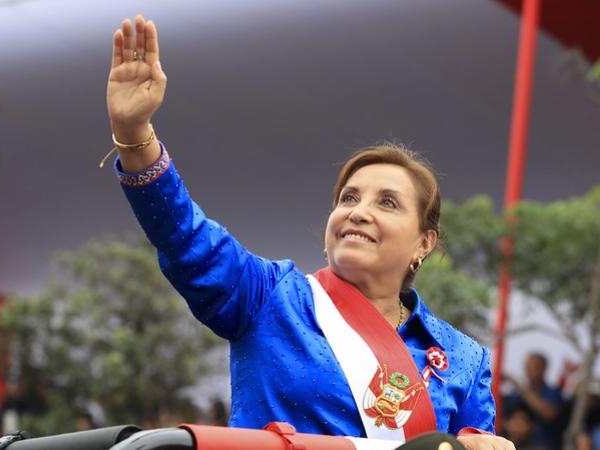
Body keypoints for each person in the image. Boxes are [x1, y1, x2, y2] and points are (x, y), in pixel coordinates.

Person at [105, 14, 512, 450]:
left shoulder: (464, 359)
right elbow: (183, 234)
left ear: (423, 243)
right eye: (349, 198)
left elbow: (477, 441)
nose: (359, 212)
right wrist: (134, 133)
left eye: (387, 202)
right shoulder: (268, 297)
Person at [504, 353, 563, 450]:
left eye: (534, 367)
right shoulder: (516, 396)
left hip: (544, 445)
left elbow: (549, 414)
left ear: (544, 368)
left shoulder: (552, 392)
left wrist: (519, 386)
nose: (530, 370)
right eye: (528, 367)